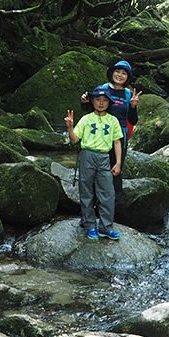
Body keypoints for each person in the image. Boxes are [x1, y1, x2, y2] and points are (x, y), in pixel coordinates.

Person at [66, 86, 123, 241]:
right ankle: (90, 225)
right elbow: (74, 140)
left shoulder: (113, 121)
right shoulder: (86, 119)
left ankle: (106, 227)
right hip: (87, 155)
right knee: (86, 191)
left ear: (109, 103)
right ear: (92, 101)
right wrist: (70, 128)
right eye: (97, 99)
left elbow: (117, 142)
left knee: (108, 193)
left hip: (104, 157)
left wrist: (118, 163)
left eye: (104, 100)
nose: (101, 103)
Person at [80, 59, 138, 203]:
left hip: (119, 137)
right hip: (99, 133)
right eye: (117, 71)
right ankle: (93, 205)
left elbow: (133, 120)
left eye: (124, 73)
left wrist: (133, 106)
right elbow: (90, 110)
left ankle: (113, 206)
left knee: (115, 170)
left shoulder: (129, 94)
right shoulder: (103, 88)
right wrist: (84, 102)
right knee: (95, 170)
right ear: (112, 73)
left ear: (127, 77)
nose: (120, 75)